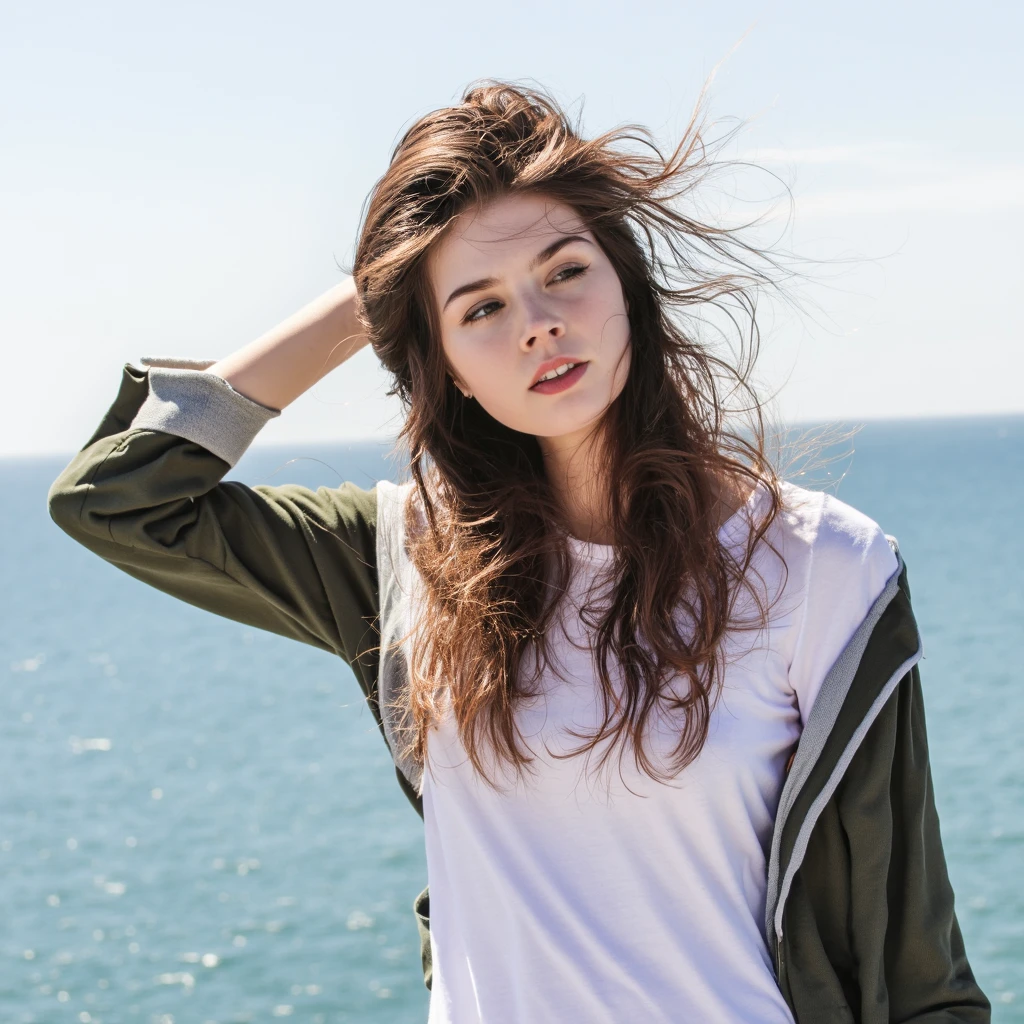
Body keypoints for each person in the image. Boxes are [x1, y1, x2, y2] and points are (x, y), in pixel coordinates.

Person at [48, 82, 990, 1022]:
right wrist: (387, 280)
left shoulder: (822, 567)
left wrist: (448, 271)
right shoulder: (408, 560)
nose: (538, 320)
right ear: (441, 364)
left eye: (565, 270)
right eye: (479, 309)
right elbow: (121, 499)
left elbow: (921, 981)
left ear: (625, 277)